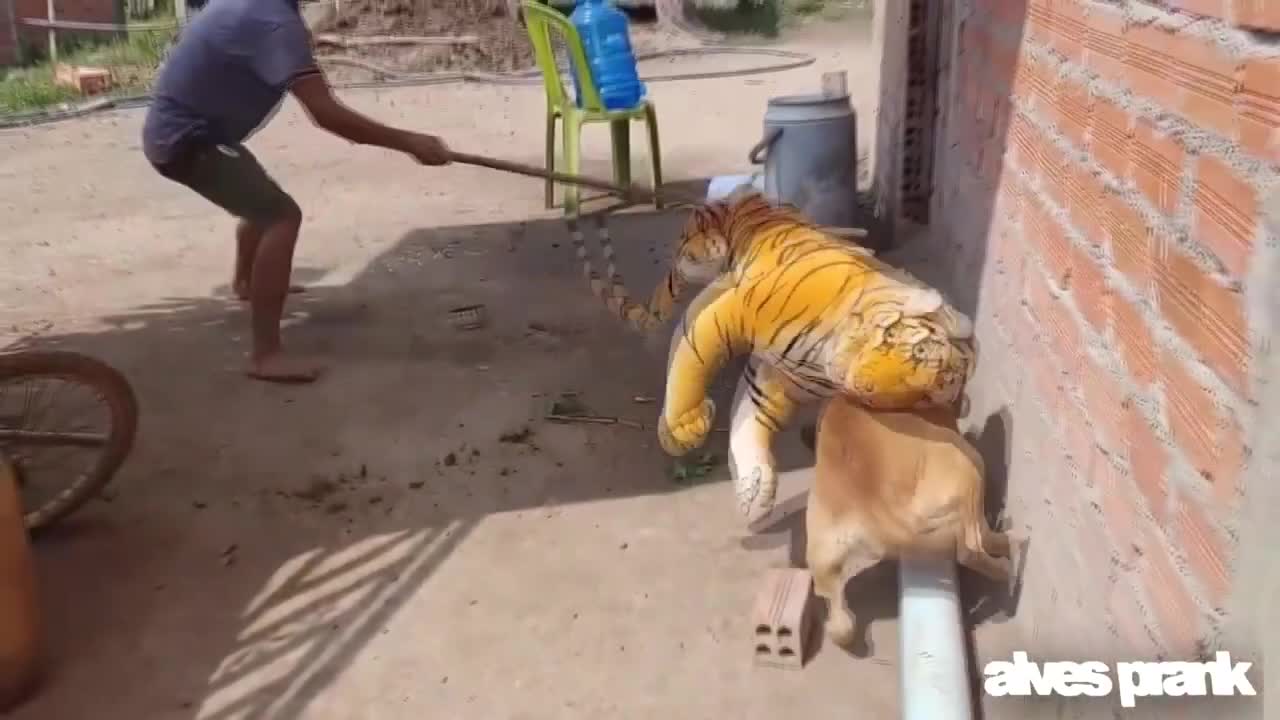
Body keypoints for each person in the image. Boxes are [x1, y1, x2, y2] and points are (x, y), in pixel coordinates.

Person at [142, 0, 451, 383]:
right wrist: (409, 141)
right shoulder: (273, 23)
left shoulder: (254, 7)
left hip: (194, 134)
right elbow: (327, 114)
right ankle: (265, 354)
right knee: (280, 217)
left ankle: (245, 283)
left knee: (260, 200)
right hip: (187, 142)